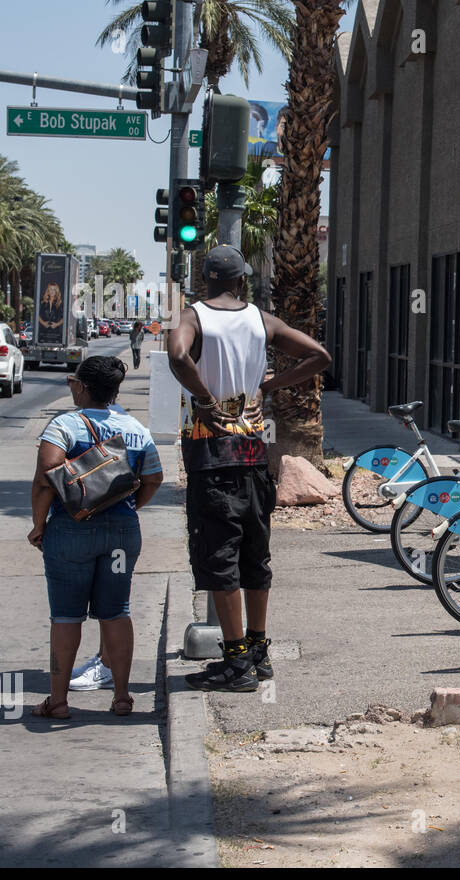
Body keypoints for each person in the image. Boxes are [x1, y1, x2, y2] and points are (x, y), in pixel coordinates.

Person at [168, 245, 330, 692]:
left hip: (210, 455)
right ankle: (258, 652)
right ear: (242, 280)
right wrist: (270, 384)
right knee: (255, 556)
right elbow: (319, 356)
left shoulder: (194, 316)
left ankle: (236, 662)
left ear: (206, 280)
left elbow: (178, 355)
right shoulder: (263, 320)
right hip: (255, 455)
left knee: (221, 560)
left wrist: (203, 399)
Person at [28, 355, 164, 719]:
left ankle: (58, 702)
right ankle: (122, 697)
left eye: (74, 382)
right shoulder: (136, 428)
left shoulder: (65, 425)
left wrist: (39, 524)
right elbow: (153, 477)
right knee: (117, 611)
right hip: (121, 532)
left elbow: (45, 478)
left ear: (82, 387)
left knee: (67, 616)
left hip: (71, 531)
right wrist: (130, 504)